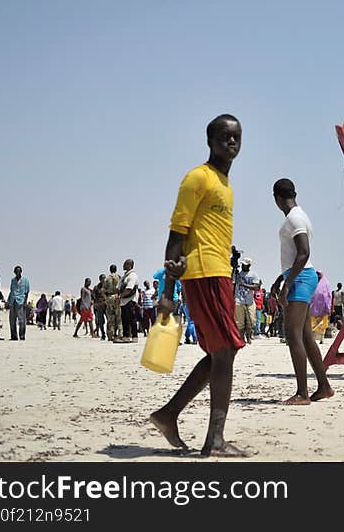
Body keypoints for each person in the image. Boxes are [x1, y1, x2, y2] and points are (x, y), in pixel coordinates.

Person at [150, 113, 248, 457]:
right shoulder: (198, 178)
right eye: (224, 137)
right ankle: (215, 440)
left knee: (220, 352)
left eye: (236, 137)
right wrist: (166, 295)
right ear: (210, 141)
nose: (231, 142)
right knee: (226, 351)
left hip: (218, 273)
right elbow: (176, 234)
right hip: (204, 273)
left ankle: (168, 414)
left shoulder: (224, 183)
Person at [273, 178, 333, 405]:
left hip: (299, 279)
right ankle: (324, 386)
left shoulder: (294, 218)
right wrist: (282, 278)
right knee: (306, 336)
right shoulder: (300, 214)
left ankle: (302, 393)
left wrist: (288, 284)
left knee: (292, 335)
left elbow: (303, 253)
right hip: (299, 276)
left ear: (277, 198)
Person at [234, 257, 260, 344]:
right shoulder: (237, 274)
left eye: (245, 265)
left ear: (249, 265)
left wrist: (244, 284)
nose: (242, 266)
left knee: (252, 321)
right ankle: (241, 338)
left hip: (250, 301)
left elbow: (256, 287)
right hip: (238, 300)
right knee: (240, 322)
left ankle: (249, 336)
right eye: (242, 264)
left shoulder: (253, 275)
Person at [117, 259, 139, 343]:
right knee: (124, 319)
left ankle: (134, 336)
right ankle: (126, 336)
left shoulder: (132, 275)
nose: (123, 265)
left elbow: (129, 289)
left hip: (130, 300)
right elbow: (119, 287)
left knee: (131, 319)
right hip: (124, 301)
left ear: (129, 265)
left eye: (125, 264)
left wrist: (120, 296)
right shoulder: (125, 276)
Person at [7, 265, 30, 341]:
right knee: (12, 320)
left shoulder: (26, 280)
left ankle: (22, 336)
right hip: (13, 301)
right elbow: (11, 291)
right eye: (16, 271)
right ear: (14, 272)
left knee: (22, 320)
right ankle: (14, 336)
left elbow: (27, 292)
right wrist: (8, 301)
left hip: (21, 301)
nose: (18, 272)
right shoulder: (12, 280)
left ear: (21, 271)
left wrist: (25, 302)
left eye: (19, 271)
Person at [310, 271, 332, 344]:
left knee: (322, 325)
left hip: (324, 309)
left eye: (319, 275)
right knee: (313, 324)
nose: (318, 276)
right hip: (313, 308)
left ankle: (321, 339)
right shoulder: (313, 284)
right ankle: (313, 339)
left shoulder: (326, 285)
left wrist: (328, 308)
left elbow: (329, 296)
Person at [103, 264, 122, 342]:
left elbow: (104, 290)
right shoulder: (119, 277)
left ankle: (110, 335)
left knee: (110, 318)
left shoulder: (107, 279)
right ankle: (120, 334)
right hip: (117, 297)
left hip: (110, 298)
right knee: (119, 318)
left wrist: (106, 299)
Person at [92, 274, 107, 340]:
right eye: (102, 279)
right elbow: (93, 297)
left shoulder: (107, 287)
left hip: (106, 305)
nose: (103, 280)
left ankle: (110, 334)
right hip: (99, 306)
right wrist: (95, 304)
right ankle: (103, 334)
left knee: (109, 320)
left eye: (104, 278)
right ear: (100, 279)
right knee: (101, 321)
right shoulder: (96, 287)